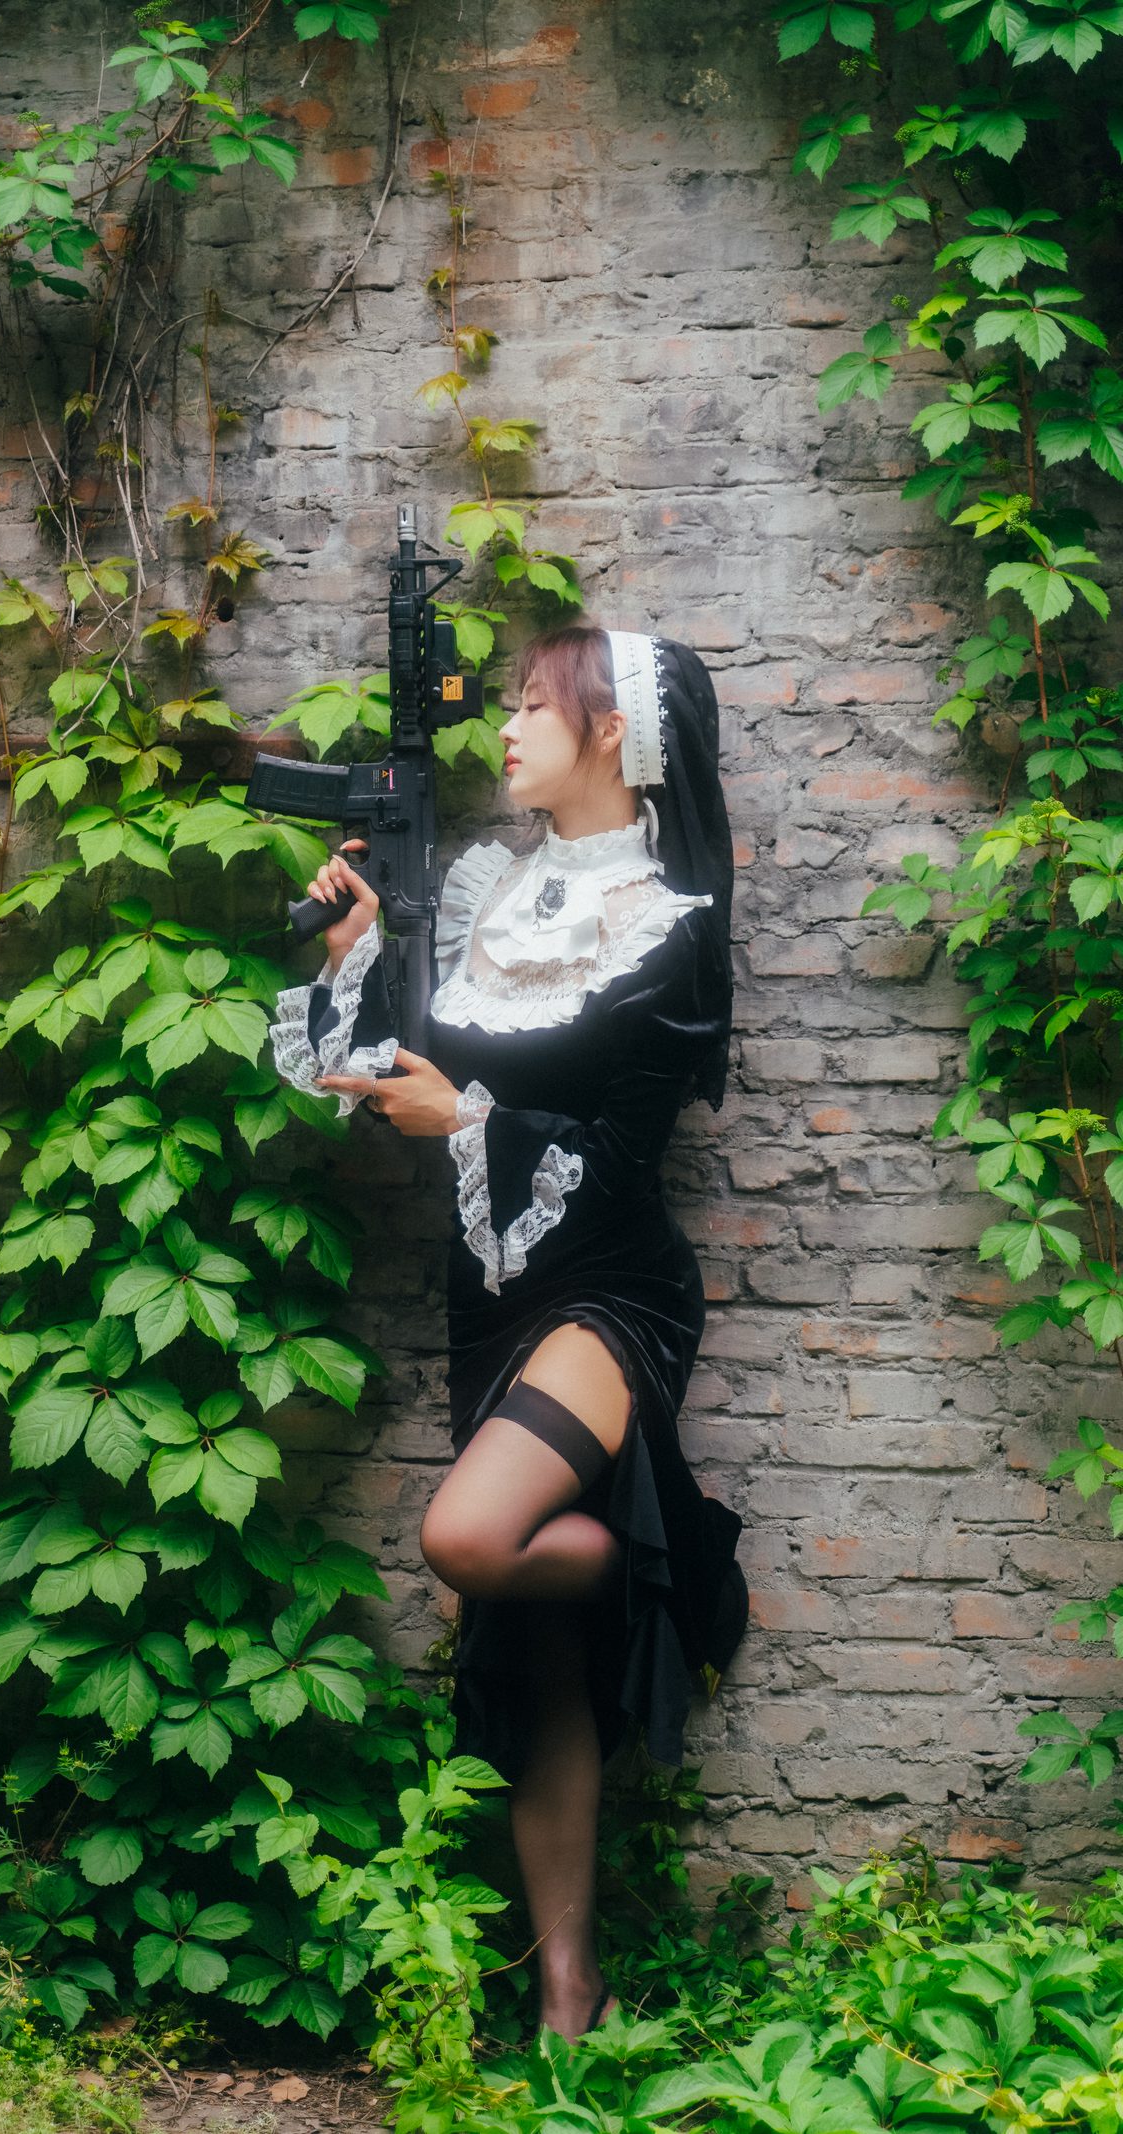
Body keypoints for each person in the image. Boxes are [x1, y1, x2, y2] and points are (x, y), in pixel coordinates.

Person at [268, 624, 748, 2042]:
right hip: (492, 1305)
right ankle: (567, 1997)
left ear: (614, 732)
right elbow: (376, 1080)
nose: (510, 728)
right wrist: (357, 953)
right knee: (537, 1658)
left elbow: (619, 1146)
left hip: (613, 1291)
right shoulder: (487, 892)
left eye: (538, 705)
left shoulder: (669, 923)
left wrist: (466, 1119)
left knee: (473, 1541)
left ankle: (670, 1563)